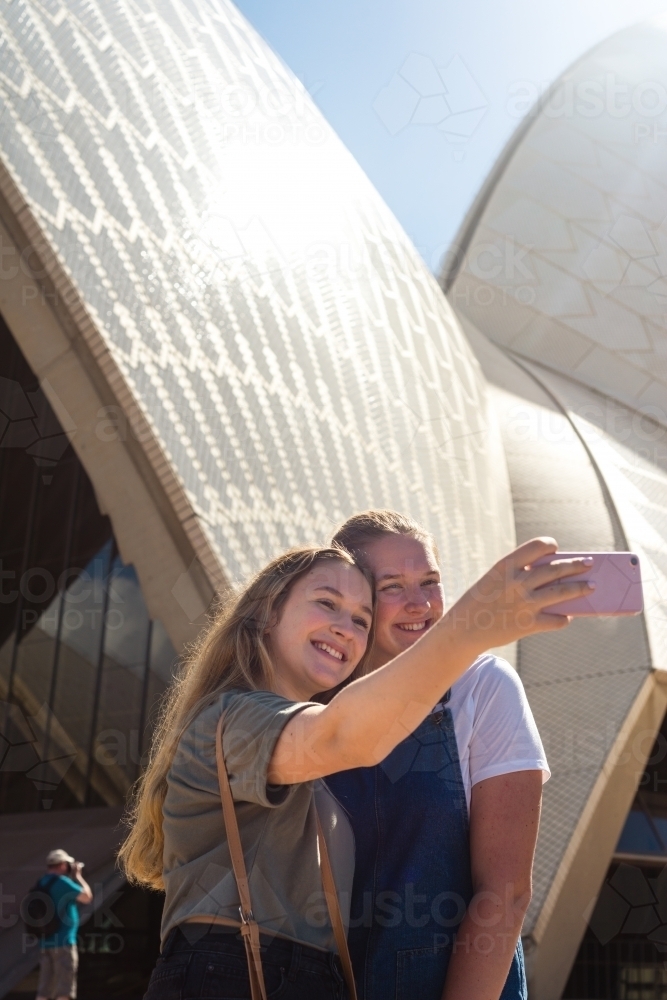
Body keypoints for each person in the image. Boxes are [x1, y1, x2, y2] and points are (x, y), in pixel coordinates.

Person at [120, 542, 591, 1000]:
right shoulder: (230, 720)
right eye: (327, 603)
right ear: (265, 613)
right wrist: (473, 625)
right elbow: (343, 736)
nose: (346, 628)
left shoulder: (307, 750)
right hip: (230, 974)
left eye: (361, 619)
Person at [326, 509, 551, 1000]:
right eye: (392, 587)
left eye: (430, 581)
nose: (421, 603)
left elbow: (504, 895)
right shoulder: (313, 708)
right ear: (352, 600)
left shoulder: (483, 688)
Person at [34, 848, 92, 1000]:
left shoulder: (41, 882)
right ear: (61, 865)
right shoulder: (63, 882)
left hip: (45, 942)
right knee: (64, 990)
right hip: (64, 942)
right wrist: (78, 876)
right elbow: (87, 897)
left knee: (44, 990)